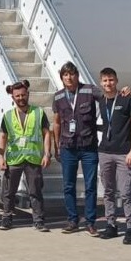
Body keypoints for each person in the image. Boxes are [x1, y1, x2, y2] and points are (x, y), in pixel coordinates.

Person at [52, 61, 104, 236]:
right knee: (68, 185)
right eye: (65, 75)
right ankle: (73, 220)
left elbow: (108, 95)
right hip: (68, 147)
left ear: (77, 75)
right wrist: (56, 146)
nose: (69, 77)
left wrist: (124, 93)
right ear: (62, 78)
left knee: (90, 186)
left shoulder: (89, 90)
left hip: (88, 146)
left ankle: (90, 222)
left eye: (72, 74)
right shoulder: (58, 97)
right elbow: (57, 123)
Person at [0, 80, 52, 232]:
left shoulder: (39, 112)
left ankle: (39, 220)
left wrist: (47, 153)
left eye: (23, 95)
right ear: (12, 97)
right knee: (9, 191)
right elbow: (3, 137)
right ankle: (7, 218)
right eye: (17, 96)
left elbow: (47, 134)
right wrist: (1, 158)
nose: (20, 98)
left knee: (35, 191)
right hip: (14, 159)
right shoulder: (7, 116)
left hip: (33, 158)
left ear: (28, 94)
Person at [95, 68, 131, 244]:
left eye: (111, 80)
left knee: (127, 192)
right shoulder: (101, 101)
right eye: (104, 81)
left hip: (124, 153)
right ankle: (111, 225)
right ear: (101, 83)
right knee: (109, 191)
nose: (108, 84)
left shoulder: (127, 98)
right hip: (105, 152)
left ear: (116, 81)